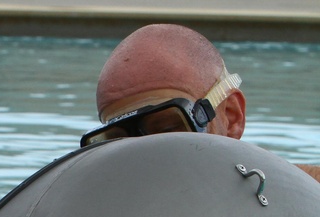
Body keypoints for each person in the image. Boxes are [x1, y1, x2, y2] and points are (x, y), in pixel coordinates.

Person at [84, 23, 320, 183]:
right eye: (118, 144)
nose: (149, 161)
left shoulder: (301, 198)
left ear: (231, 116)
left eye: (168, 129)